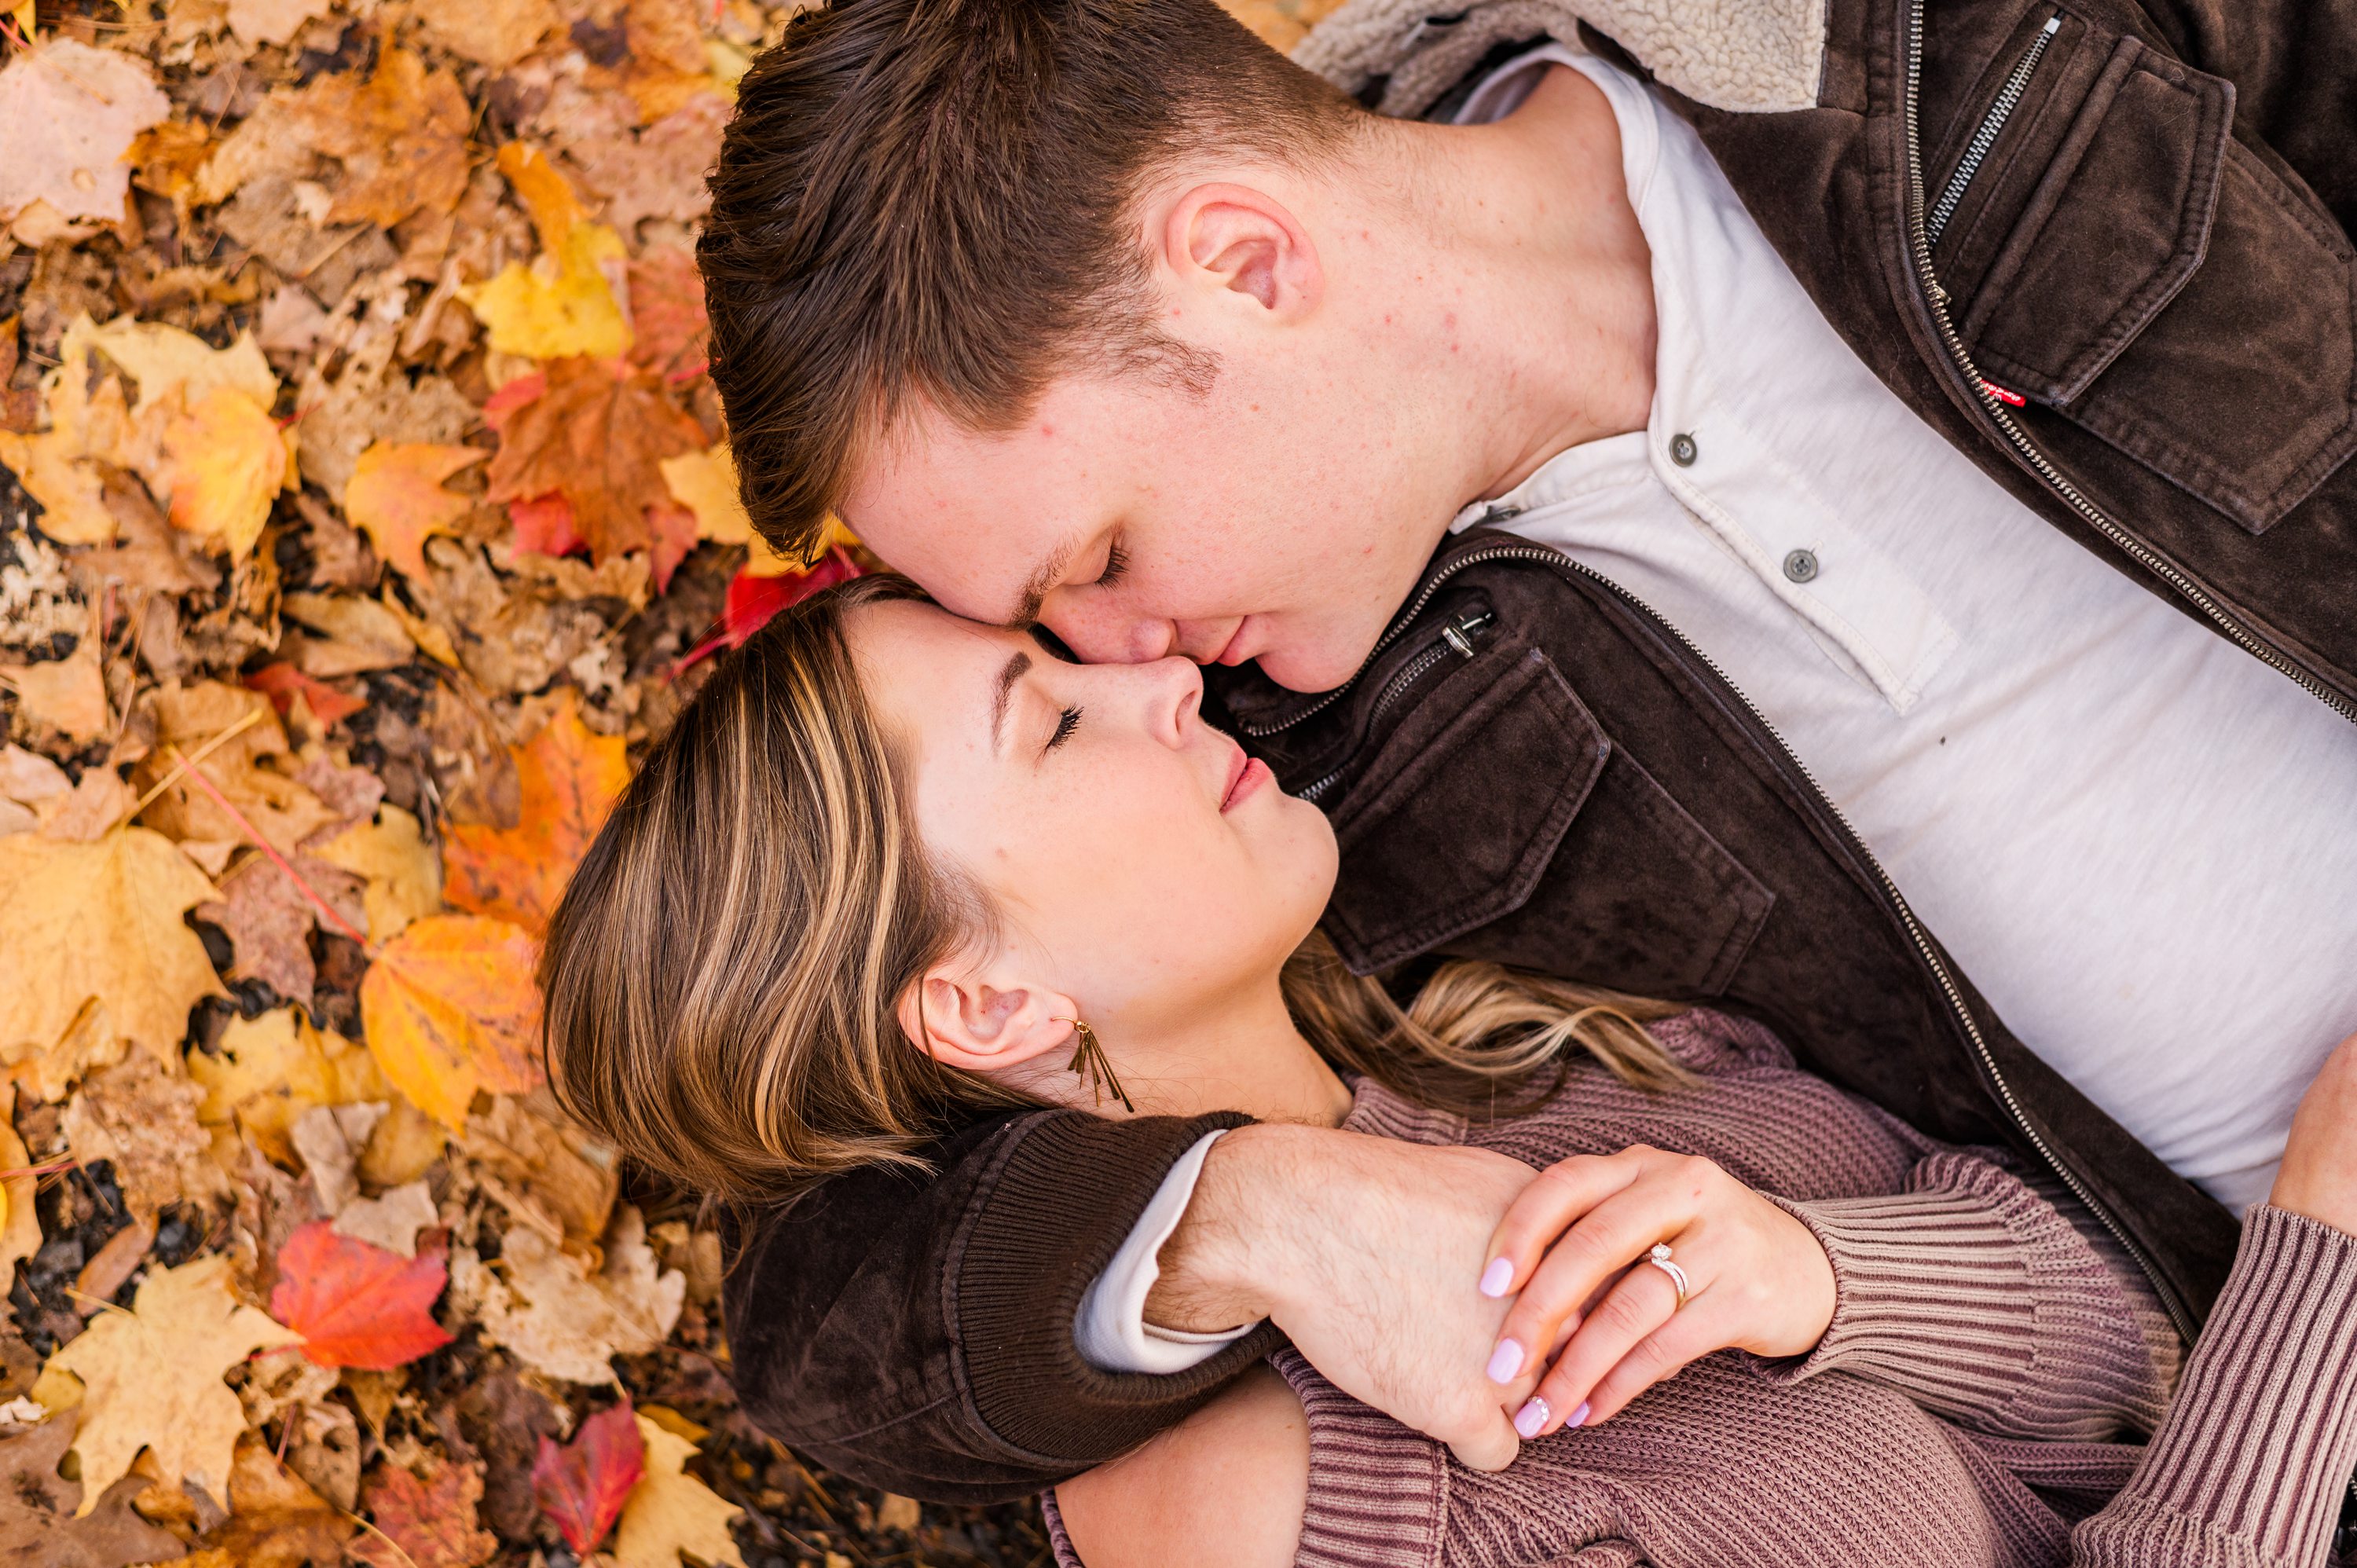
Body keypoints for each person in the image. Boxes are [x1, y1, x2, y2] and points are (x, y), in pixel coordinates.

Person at [691, 0, 2357, 1513]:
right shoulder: (1290, 757)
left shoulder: (1904, 54)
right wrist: (1243, 1215)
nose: (1125, 664)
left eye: (1103, 563)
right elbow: (822, 1285)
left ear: (1248, 264)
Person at [536, 579, 2357, 1567]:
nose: (1157, 683)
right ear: (986, 999)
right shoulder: (1271, 1515)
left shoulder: (1509, 1046)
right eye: (1053, 720)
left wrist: (1817, 1279)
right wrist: (2326, 1253)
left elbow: (2117, 1351)